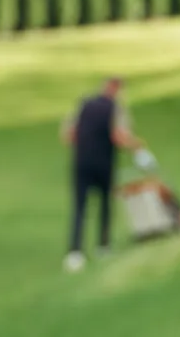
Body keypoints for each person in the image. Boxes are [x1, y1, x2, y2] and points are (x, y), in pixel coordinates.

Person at [60, 76, 144, 271]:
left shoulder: (84, 104)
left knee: (80, 206)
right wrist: (137, 147)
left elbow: (68, 135)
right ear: (116, 89)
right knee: (105, 203)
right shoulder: (115, 107)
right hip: (103, 162)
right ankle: (103, 246)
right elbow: (118, 135)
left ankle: (75, 252)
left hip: (81, 162)